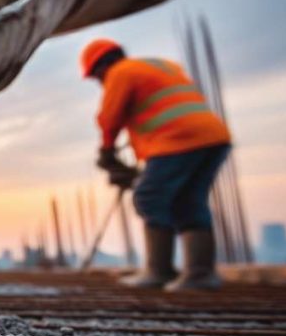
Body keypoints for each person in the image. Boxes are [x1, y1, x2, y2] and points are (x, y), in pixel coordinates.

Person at [81, 39, 232, 291]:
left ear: (101, 68)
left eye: (96, 78)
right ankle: (200, 274)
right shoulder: (161, 65)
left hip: (178, 140)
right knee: (189, 201)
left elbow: (109, 117)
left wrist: (107, 152)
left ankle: (158, 271)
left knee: (149, 197)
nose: (99, 83)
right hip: (214, 137)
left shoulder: (120, 72)